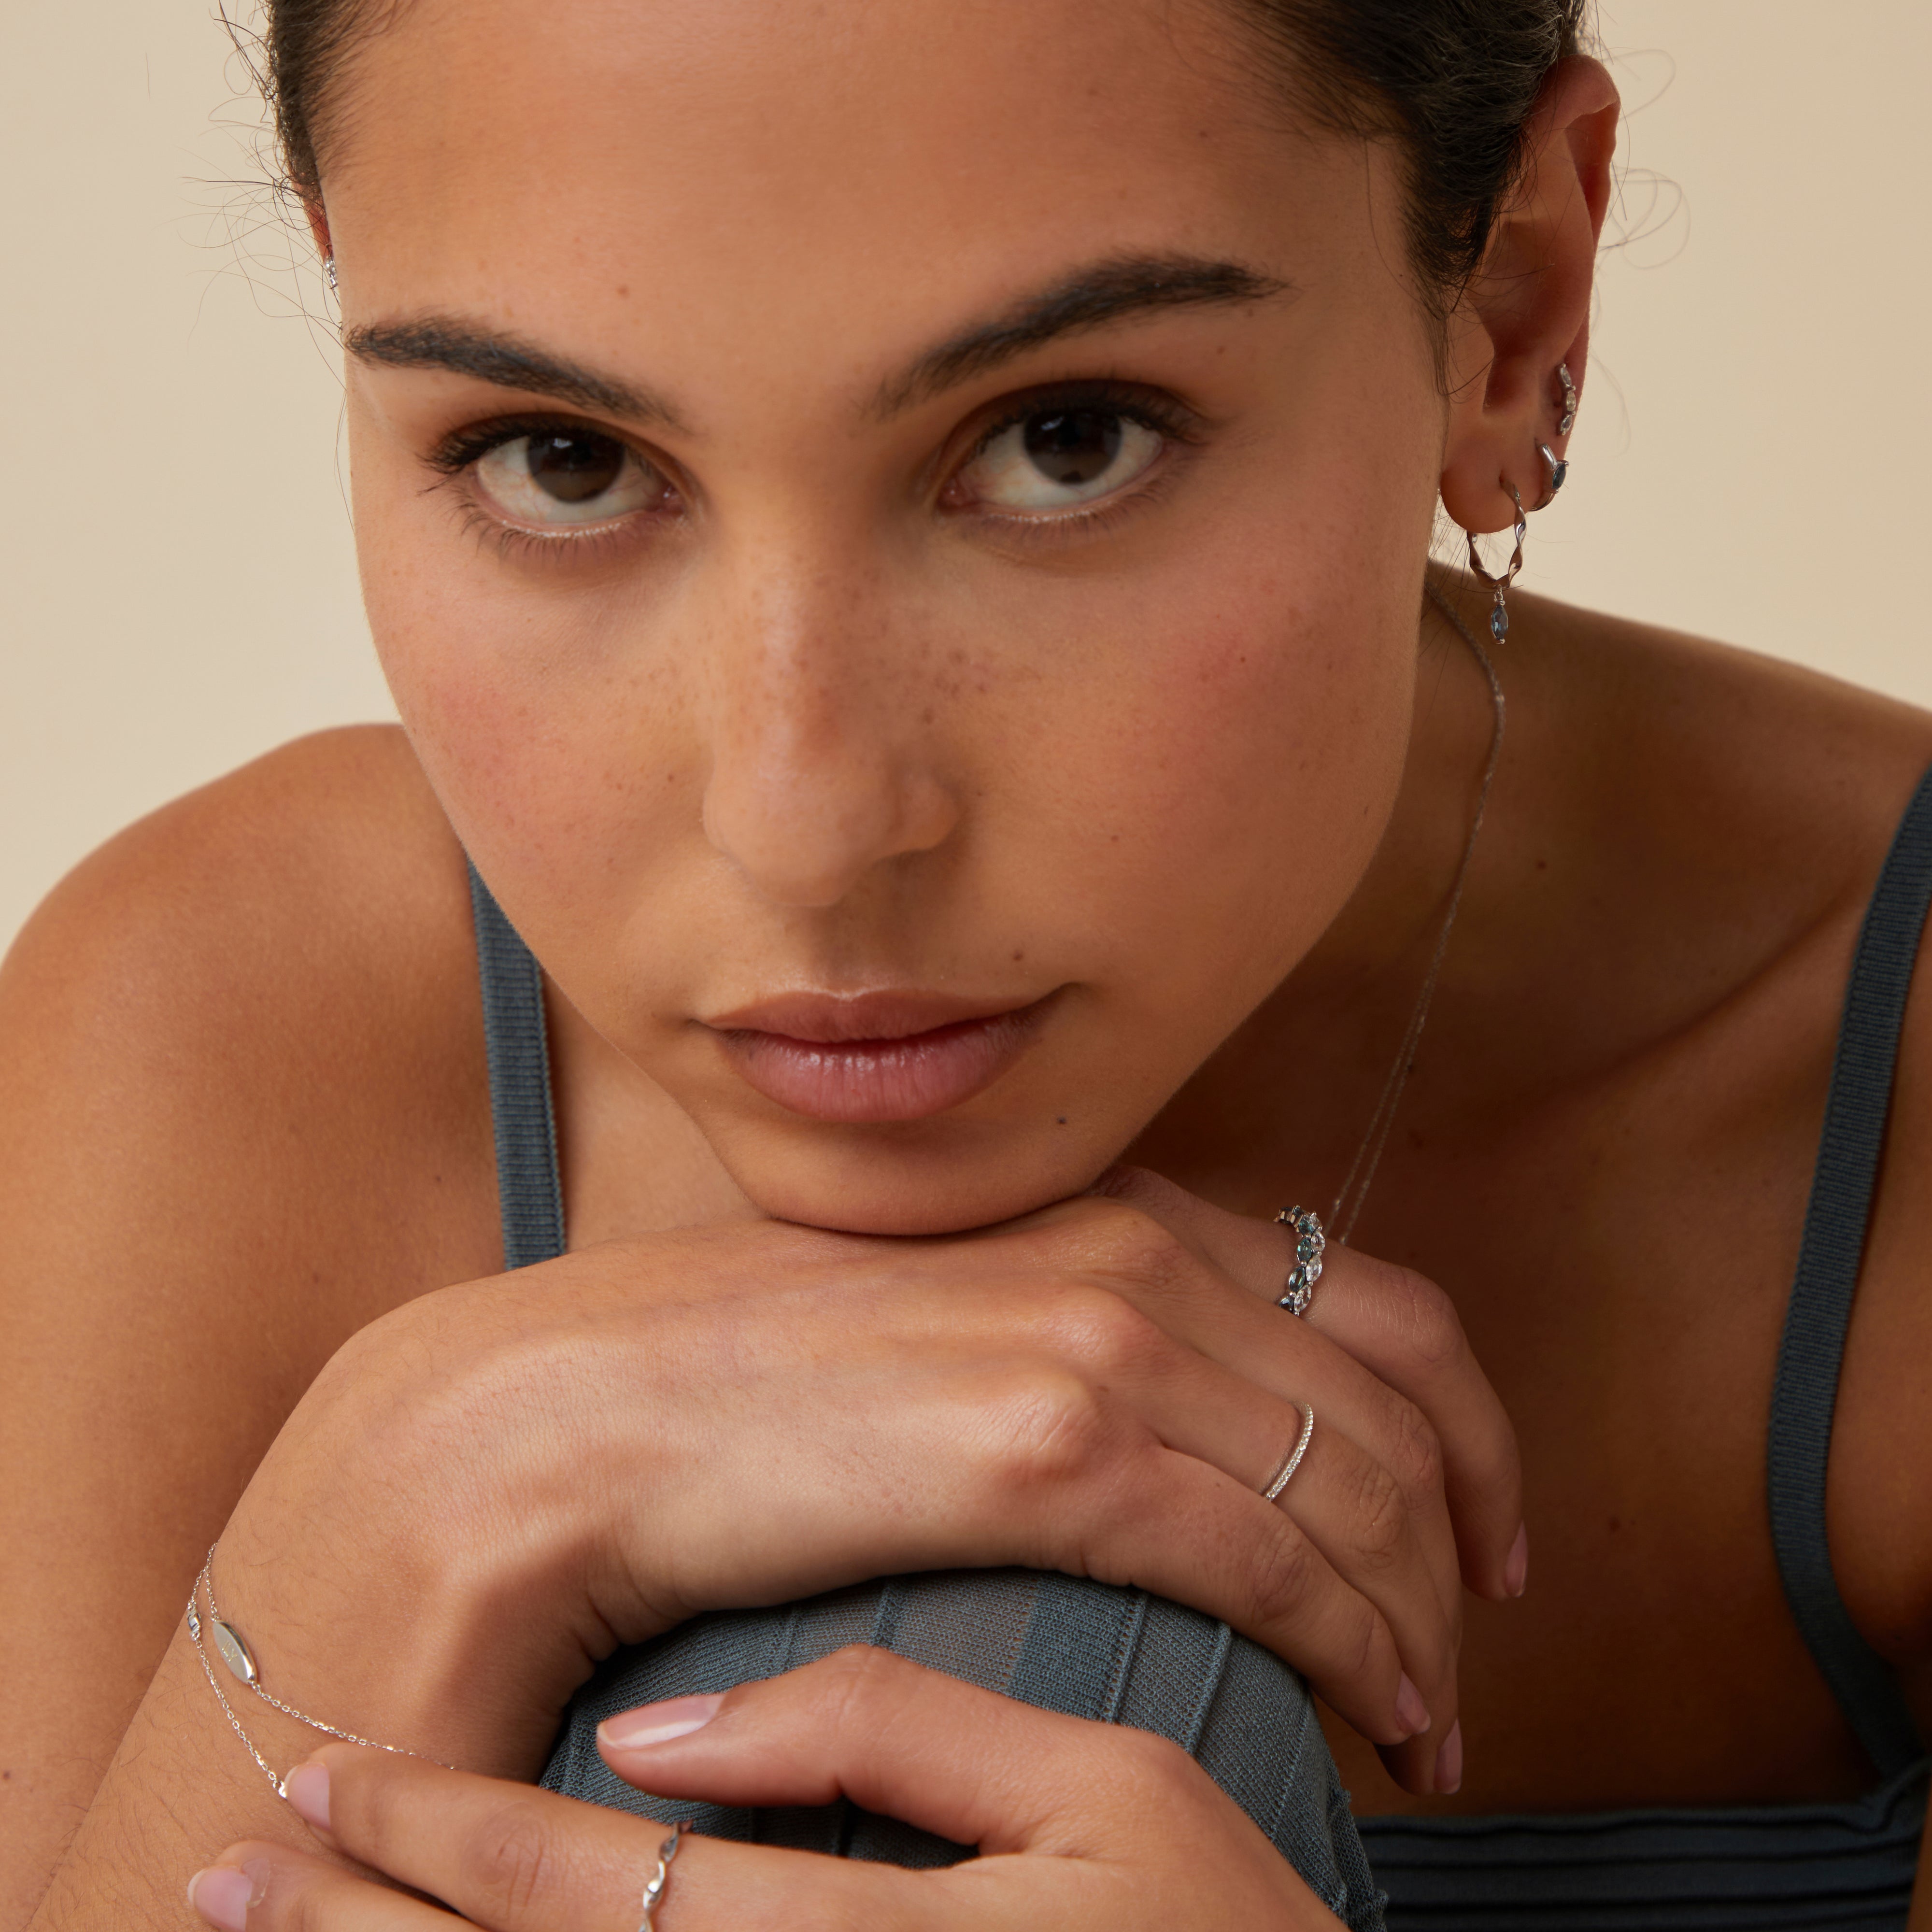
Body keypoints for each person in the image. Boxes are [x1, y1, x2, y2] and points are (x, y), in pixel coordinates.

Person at [3, 0, 1928, 1926]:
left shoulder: (1884, 1077)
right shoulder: (219, 1049)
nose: (807, 826)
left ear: (1506, 312)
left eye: (1062, 442)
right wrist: (409, 1498)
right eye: (560, 459)